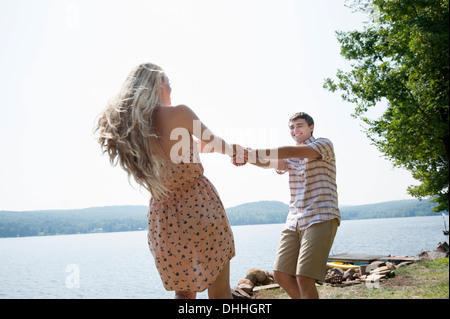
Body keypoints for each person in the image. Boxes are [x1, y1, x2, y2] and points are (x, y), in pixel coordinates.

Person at [95, 62, 244, 299]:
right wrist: (234, 151)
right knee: (220, 295)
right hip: (199, 206)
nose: (171, 89)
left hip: (163, 218)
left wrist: (210, 149)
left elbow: (184, 150)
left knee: (184, 295)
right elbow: (214, 141)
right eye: (169, 82)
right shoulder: (179, 113)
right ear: (159, 84)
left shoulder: (135, 132)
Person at [246, 112, 340, 299]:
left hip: (321, 215)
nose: (295, 130)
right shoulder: (289, 156)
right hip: (294, 219)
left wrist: (256, 151)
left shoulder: (323, 144)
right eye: (292, 127)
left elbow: (291, 151)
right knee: (281, 274)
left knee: (304, 277)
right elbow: (267, 162)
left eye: (299, 125)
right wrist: (247, 156)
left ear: (311, 127)